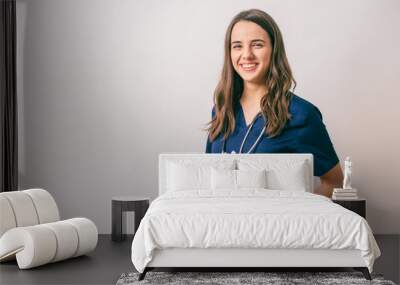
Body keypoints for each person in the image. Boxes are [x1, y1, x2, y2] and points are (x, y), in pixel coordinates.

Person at [205, 9, 343, 197]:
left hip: (274, 223)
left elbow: (334, 181)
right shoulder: (221, 111)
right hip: (223, 222)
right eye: (237, 46)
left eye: (257, 45)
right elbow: (207, 177)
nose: (246, 55)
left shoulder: (300, 114)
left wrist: (301, 218)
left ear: (274, 50)